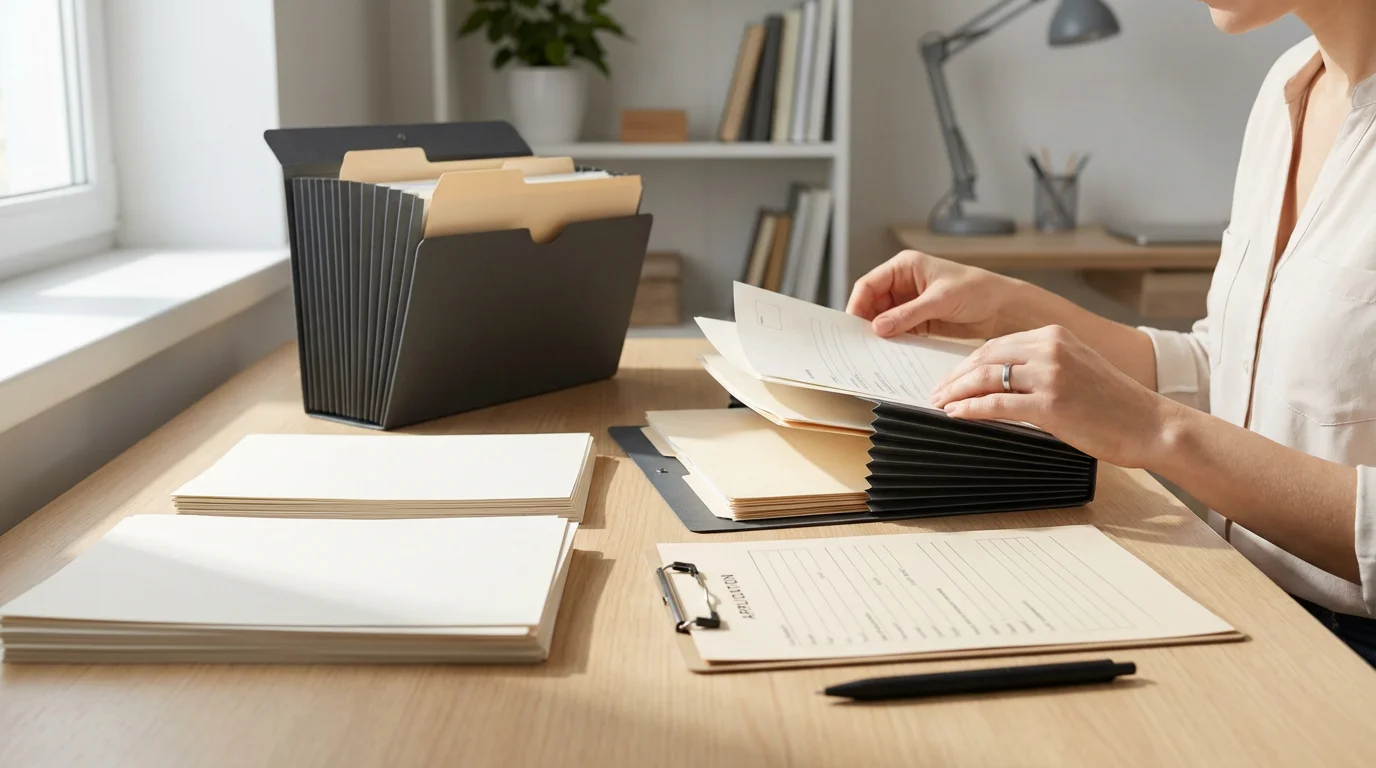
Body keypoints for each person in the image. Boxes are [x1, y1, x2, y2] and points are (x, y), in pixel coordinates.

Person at [848, 0, 1376, 664]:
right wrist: (1011, 306)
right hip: (1249, 601)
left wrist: (1156, 431)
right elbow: (1240, 375)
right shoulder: (1287, 88)